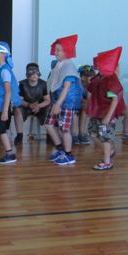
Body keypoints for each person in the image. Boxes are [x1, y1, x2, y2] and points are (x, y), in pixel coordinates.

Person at [87, 46, 126, 171]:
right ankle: (109, 151)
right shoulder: (99, 78)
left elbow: (115, 99)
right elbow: (91, 91)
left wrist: (108, 117)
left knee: (105, 138)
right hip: (97, 112)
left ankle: (107, 161)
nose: (98, 66)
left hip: (106, 114)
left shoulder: (111, 80)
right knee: (93, 134)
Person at [46, 35, 83, 166]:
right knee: (49, 125)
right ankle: (60, 148)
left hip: (65, 103)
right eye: (55, 50)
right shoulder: (60, 65)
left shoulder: (69, 67)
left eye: (59, 50)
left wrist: (58, 104)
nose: (56, 53)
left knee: (65, 129)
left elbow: (67, 87)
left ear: (67, 51)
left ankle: (68, 155)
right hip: (57, 101)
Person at [13, 63, 50, 144]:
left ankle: (49, 136)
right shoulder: (22, 84)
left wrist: (38, 106)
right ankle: (19, 135)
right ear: (27, 74)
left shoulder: (43, 84)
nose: (34, 75)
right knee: (16, 108)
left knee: (49, 109)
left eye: (36, 72)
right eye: (31, 72)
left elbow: (47, 100)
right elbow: (19, 100)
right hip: (26, 107)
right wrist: (29, 105)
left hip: (40, 108)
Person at [72, 64, 95, 145]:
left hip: (83, 105)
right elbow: (75, 98)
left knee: (85, 110)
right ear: (82, 77)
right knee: (75, 113)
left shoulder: (91, 85)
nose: (92, 79)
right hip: (73, 104)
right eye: (90, 77)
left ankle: (81, 134)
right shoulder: (77, 84)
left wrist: (87, 102)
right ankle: (74, 134)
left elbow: (89, 99)